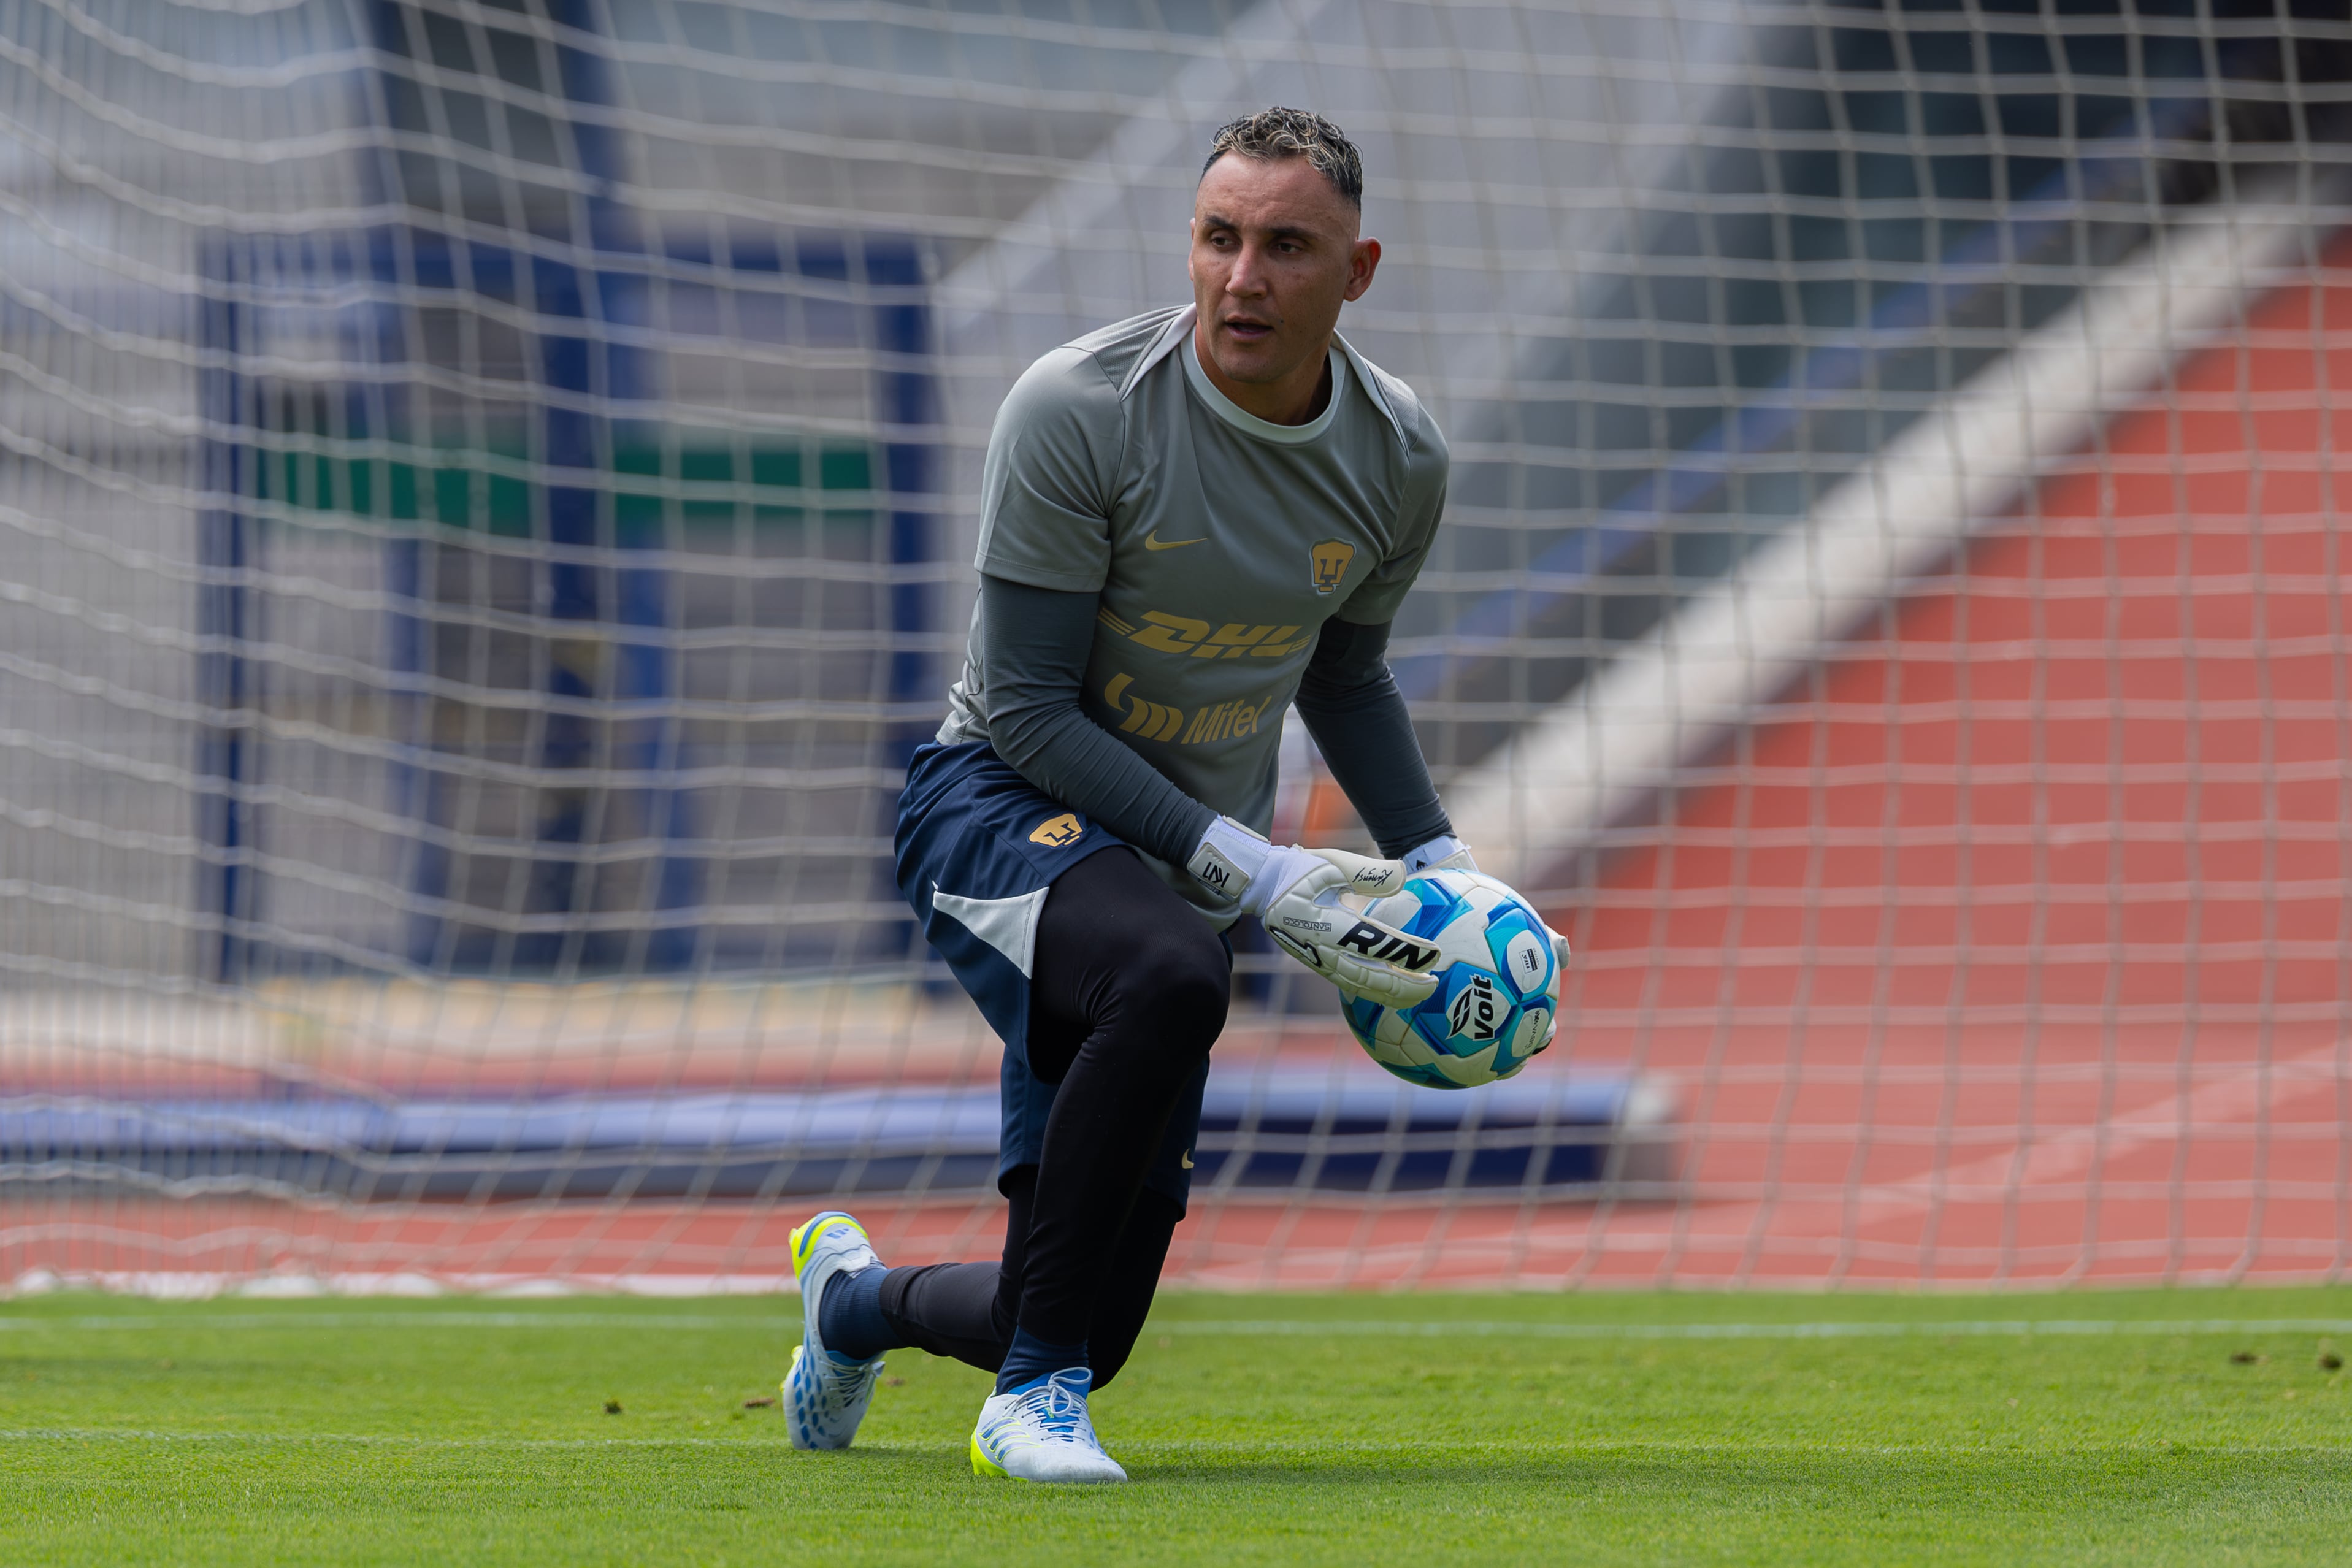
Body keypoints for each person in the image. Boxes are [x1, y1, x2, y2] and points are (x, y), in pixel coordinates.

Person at [783, 106, 1491, 1483]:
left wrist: (1446, 862)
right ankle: (1028, 1404)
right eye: (1220, 239)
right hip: (990, 803)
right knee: (1173, 975)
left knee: (1081, 1307)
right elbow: (1033, 707)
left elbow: (1345, 678)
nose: (1243, 278)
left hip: (1174, 874)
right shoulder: (1079, 407)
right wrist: (1261, 870)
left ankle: (853, 1304)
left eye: (1287, 247)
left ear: (1358, 273)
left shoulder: (1399, 458)